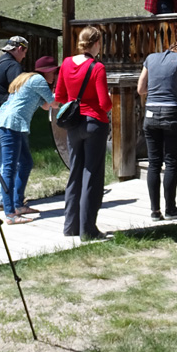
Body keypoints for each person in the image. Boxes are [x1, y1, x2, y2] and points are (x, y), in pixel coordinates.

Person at [55, 25, 112, 240]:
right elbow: (104, 103)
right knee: (92, 176)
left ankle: (71, 226)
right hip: (94, 123)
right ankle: (88, 230)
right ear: (96, 43)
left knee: (75, 173)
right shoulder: (97, 67)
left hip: (74, 124)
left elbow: (60, 97)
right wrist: (109, 101)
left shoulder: (66, 63)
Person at [0, 56, 58, 225]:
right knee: (9, 169)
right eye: (54, 72)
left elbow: (46, 106)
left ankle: (18, 204)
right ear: (47, 71)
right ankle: (10, 213)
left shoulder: (30, 79)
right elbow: (54, 103)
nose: (55, 75)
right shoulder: (38, 80)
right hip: (11, 125)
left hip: (11, 125)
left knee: (26, 163)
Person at [137, 43, 177, 221]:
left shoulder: (150, 58)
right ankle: (170, 209)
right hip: (171, 112)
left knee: (154, 163)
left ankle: (155, 211)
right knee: (170, 163)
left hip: (151, 113)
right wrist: (174, 88)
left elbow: (140, 89)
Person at [0, 36, 29, 209]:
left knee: (3, 159)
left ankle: (0, 198)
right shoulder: (13, 66)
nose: (24, 56)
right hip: (8, 121)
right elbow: (20, 93)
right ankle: (10, 201)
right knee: (17, 161)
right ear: (19, 48)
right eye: (24, 51)